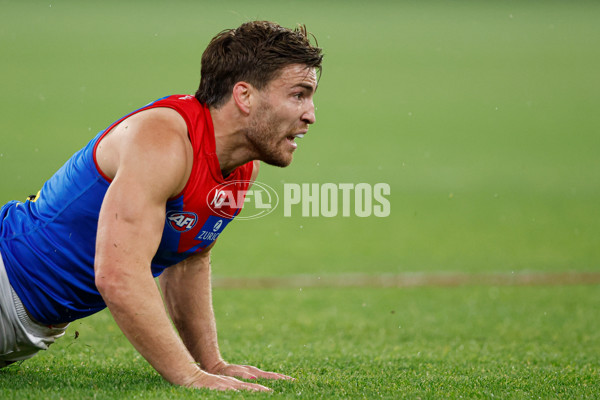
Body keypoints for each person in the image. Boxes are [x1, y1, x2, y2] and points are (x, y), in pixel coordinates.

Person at [0, 20, 323, 392]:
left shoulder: (239, 165)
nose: (310, 114)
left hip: (23, 325)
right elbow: (118, 275)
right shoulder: (164, 139)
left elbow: (190, 258)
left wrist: (211, 363)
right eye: (299, 94)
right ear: (245, 96)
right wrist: (188, 375)